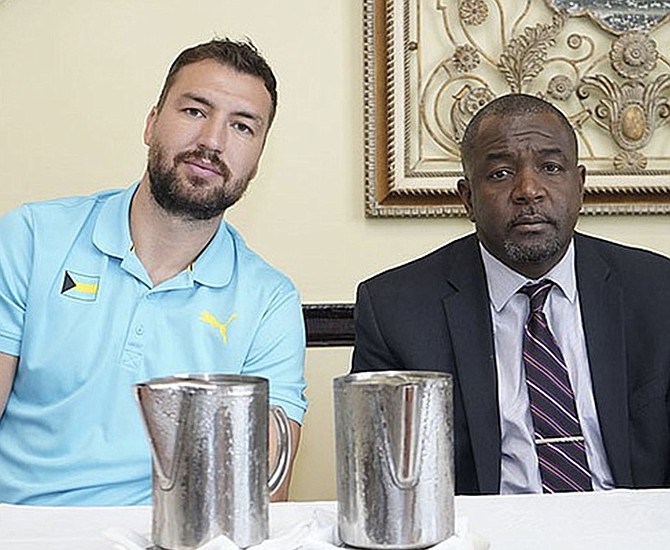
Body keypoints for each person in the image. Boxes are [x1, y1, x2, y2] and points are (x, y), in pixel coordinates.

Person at [0, 38, 307, 505]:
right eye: (194, 112)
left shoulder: (270, 302)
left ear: (259, 158)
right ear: (151, 122)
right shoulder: (31, 237)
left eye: (242, 127)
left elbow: (260, 496)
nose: (212, 141)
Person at [352, 93, 670, 495]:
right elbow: (388, 486)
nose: (529, 190)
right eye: (501, 173)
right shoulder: (396, 310)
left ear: (580, 186)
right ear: (467, 197)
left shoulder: (658, 292)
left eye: (551, 168)